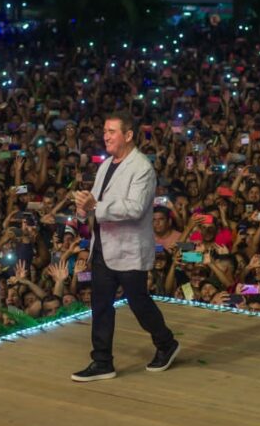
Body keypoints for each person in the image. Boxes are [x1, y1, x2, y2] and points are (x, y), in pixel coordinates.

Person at [71, 113, 179, 382]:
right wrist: (83, 207)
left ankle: (166, 343)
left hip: (129, 248)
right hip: (102, 246)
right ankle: (102, 361)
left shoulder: (142, 167)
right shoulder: (106, 164)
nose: (105, 136)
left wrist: (96, 206)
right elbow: (95, 201)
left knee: (138, 302)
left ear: (128, 135)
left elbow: (135, 208)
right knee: (101, 305)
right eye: (104, 131)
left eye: (112, 131)